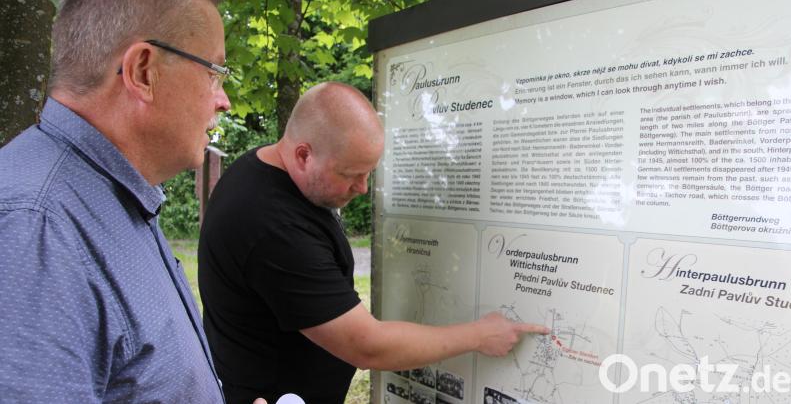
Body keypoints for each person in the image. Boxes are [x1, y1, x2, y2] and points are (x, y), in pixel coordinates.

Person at [198, 82, 551, 404]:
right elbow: (366, 346)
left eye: (369, 173)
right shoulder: (272, 225)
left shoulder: (263, 170)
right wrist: (479, 335)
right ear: (304, 155)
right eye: (350, 174)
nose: (363, 188)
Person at [0, 0, 237, 401]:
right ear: (143, 71)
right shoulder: (36, 230)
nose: (222, 100)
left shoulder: (102, 196)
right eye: (214, 72)